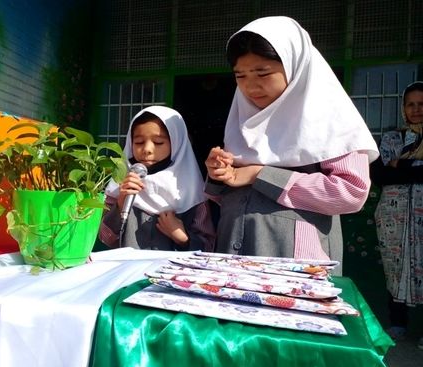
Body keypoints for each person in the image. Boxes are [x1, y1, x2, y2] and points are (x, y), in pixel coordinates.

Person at [205, 16, 379, 274]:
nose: (250, 86)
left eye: (263, 73)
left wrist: (260, 174)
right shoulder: (244, 122)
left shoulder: (329, 120)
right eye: (240, 75)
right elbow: (230, 197)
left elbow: (351, 192)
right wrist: (219, 175)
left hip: (297, 266)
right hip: (236, 256)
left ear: (296, 66)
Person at [100, 106, 215, 251]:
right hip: (131, 271)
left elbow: (209, 247)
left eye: (158, 142)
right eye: (139, 142)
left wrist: (183, 238)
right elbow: (105, 238)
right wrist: (120, 205)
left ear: (177, 143)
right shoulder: (122, 185)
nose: (147, 149)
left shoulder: (192, 191)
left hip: (173, 272)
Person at [371, 81, 423, 346]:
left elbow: (395, 171)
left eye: (421, 104)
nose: (416, 110)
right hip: (393, 215)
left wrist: (399, 165)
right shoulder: (392, 138)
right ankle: (398, 323)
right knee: (395, 266)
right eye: (410, 104)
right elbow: (379, 174)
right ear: (403, 108)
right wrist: (410, 167)